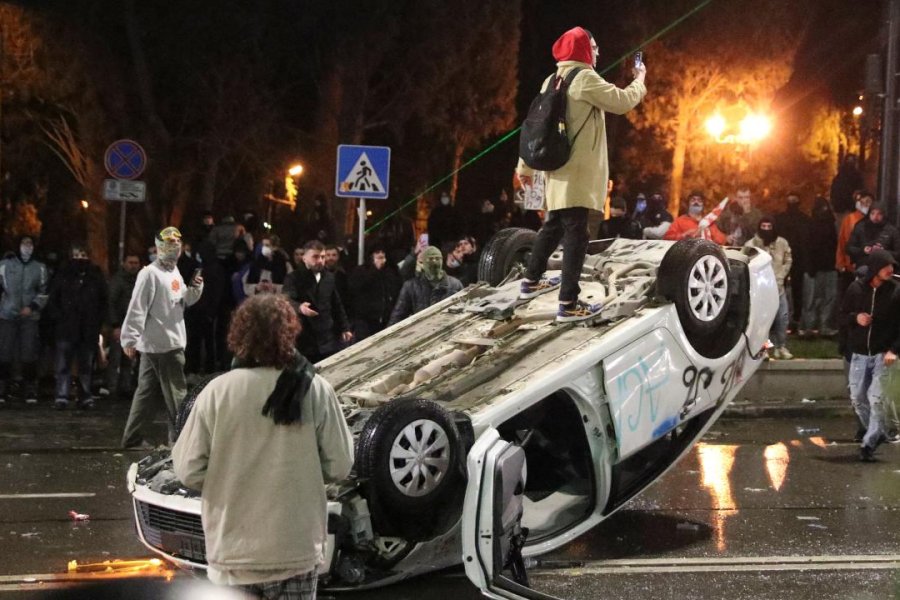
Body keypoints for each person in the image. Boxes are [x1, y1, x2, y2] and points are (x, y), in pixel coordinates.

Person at [172, 294, 353, 598]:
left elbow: (188, 470)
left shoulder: (217, 392)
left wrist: (227, 482)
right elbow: (340, 464)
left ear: (239, 336)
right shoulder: (314, 388)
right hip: (295, 547)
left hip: (233, 550)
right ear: (290, 333)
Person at [516, 26, 646, 322]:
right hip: (578, 171)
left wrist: (524, 166)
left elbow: (535, 126)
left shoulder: (552, 79)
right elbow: (623, 101)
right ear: (583, 50)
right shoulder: (585, 78)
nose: (598, 52)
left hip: (556, 169)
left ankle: (531, 281)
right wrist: (640, 80)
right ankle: (568, 302)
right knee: (577, 232)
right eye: (594, 47)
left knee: (553, 225)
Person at [120, 227, 204, 448]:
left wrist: (195, 289)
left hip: (156, 345)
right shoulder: (150, 274)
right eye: (170, 243)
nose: (175, 247)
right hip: (165, 345)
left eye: (177, 242)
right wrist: (129, 338)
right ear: (159, 247)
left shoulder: (172, 272)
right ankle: (181, 443)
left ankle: (132, 439)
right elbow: (137, 307)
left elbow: (181, 302)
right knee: (177, 397)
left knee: (146, 394)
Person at [841, 250, 900, 461]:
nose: (891, 270)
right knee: (858, 398)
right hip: (858, 354)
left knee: (876, 398)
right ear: (875, 268)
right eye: (886, 266)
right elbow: (841, 315)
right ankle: (876, 431)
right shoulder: (856, 289)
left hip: (883, 354)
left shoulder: (895, 291)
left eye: (892, 266)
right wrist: (855, 318)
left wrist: (894, 350)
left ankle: (869, 443)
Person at [46, 244, 108, 410]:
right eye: (76, 254)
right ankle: (62, 396)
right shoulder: (63, 274)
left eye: (82, 254)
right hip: (66, 329)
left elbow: (103, 300)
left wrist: (97, 322)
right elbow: (53, 300)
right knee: (63, 365)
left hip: (87, 329)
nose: (79, 258)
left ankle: (85, 396)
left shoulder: (95, 275)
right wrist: (60, 318)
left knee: (86, 366)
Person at [282, 240, 353, 364]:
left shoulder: (329, 277)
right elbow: (287, 300)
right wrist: (300, 308)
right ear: (304, 258)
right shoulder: (294, 278)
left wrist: (345, 327)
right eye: (315, 257)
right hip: (305, 337)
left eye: (322, 257)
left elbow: (336, 304)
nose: (320, 260)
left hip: (327, 337)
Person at [0, 235, 48, 405]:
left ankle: (30, 388)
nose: (27, 247)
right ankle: (3, 388)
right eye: (24, 243)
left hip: (30, 317)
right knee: (4, 352)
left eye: (30, 243)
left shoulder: (39, 268)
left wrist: (33, 307)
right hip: (7, 315)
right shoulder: (5, 265)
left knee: (29, 353)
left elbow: (43, 291)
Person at [745, 217, 793, 359]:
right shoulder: (751, 244)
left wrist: (781, 276)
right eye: (763, 226)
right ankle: (764, 348)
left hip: (779, 288)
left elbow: (788, 260)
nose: (766, 229)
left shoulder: (782, 243)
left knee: (782, 317)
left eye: (769, 226)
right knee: (763, 320)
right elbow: (747, 263)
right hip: (761, 290)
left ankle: (781, 346)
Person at [389, 246, 463, 325]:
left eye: (437, 259)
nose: (434, 262)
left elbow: (464, 311)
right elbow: (397, 317)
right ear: (423, 263)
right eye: (430, 259)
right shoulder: (411, 286)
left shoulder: (455, 285)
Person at [800, 197, 838, 337]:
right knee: (811, 299)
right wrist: (809, 267)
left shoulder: (831, 224)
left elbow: (835, 246)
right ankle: (808, 328)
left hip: (829, 267)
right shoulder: (810, 225)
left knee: (829, 298)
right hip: (814, 269)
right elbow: (806, 247)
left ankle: (824, 326)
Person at [106, 253, 142, 399]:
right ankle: (112, 387)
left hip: (134, 326)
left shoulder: (138, 280)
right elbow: (111, 303)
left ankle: (125, 387)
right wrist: (115, 325)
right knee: (115, 357)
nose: (133, 265)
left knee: (129, 358)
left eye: (136, 262)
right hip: (120, 324)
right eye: (130, 262)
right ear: (124, 263)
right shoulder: (118, 281)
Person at [776, 192, 811, 333]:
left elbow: (808, 243)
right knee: (782, 290)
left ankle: (795, 320)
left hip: (797, 260)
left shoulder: (803, 220)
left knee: (797, 291)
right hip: (784, 260)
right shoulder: (801, 220)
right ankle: (783, 320)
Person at [349, 247, 402, 340]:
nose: (380, 255)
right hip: (365, 320)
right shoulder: (361, 271)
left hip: (385, 319)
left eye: (382, 252)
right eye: (377, 252)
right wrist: (375, 270)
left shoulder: (390, 272)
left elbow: (395, 290)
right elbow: (356, 288)